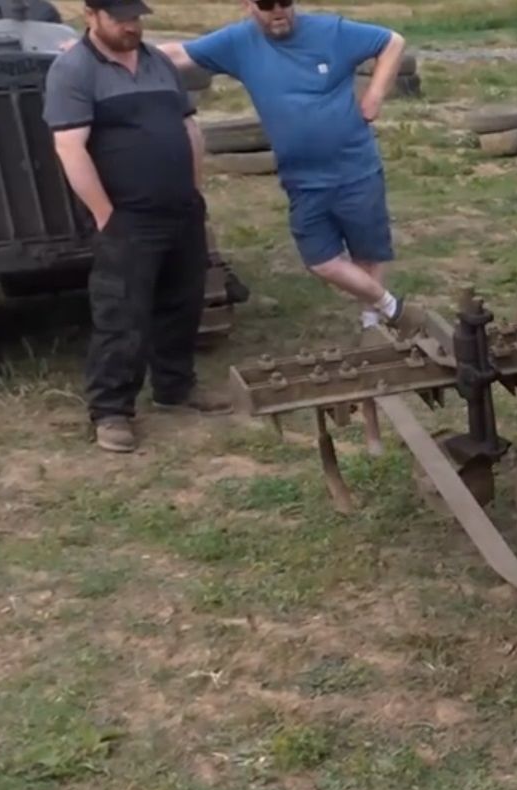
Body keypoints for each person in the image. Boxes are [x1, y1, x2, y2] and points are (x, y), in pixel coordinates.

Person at [160, 0, 429, 337]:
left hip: (355, 167)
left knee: (366, 250)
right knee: (320, 259)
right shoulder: (238, 42)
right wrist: (110, 54)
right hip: (302, 178)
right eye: (266, 4)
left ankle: (372, 325)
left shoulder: (332, 31)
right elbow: (178, 54)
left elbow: (392, 42)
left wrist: (375, 95)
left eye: (284, 2)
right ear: (248, 6)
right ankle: (392, 308)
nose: (278, 10)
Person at [46, 0, 227, 454]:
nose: (131, 26)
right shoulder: (73, 70)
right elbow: (70, 148)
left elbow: (189, 128)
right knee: (122, 314)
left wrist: (194, 192)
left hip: (181, 209)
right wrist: (104, 214)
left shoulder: (158, 61)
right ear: (91, 15)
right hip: (128, 216)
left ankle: (175, 388)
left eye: (136, 17)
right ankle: (111, 411)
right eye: (120, 18)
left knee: (182, 303)